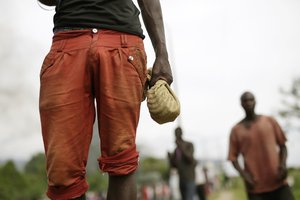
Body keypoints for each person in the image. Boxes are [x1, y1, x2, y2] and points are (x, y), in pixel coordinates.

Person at [37, 0, 173, 199]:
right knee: (62, 172)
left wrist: (162, 54)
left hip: (122, 42)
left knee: (122, 158)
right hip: (68, 42)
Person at [227, 91, 295, 200]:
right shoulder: (236, 130)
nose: (248, 103)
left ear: (255, 102)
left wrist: (283, 165)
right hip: (255, 186)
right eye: (245, 101)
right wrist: (244, 175)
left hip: (278, 181)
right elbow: (233, 158)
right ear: (241, 104)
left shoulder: (269, 121)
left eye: (251, 100)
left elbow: (283, 146)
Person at [168, 127, 196, 200]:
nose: (176, 135)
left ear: (181, 133)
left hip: (190, 178)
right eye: (175, 134)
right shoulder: (176, 150)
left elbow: (190, 158)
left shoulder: (189, 144)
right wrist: (170, 158)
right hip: (181, 179)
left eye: (177, 133)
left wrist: (180, 146)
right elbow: (174, 166)